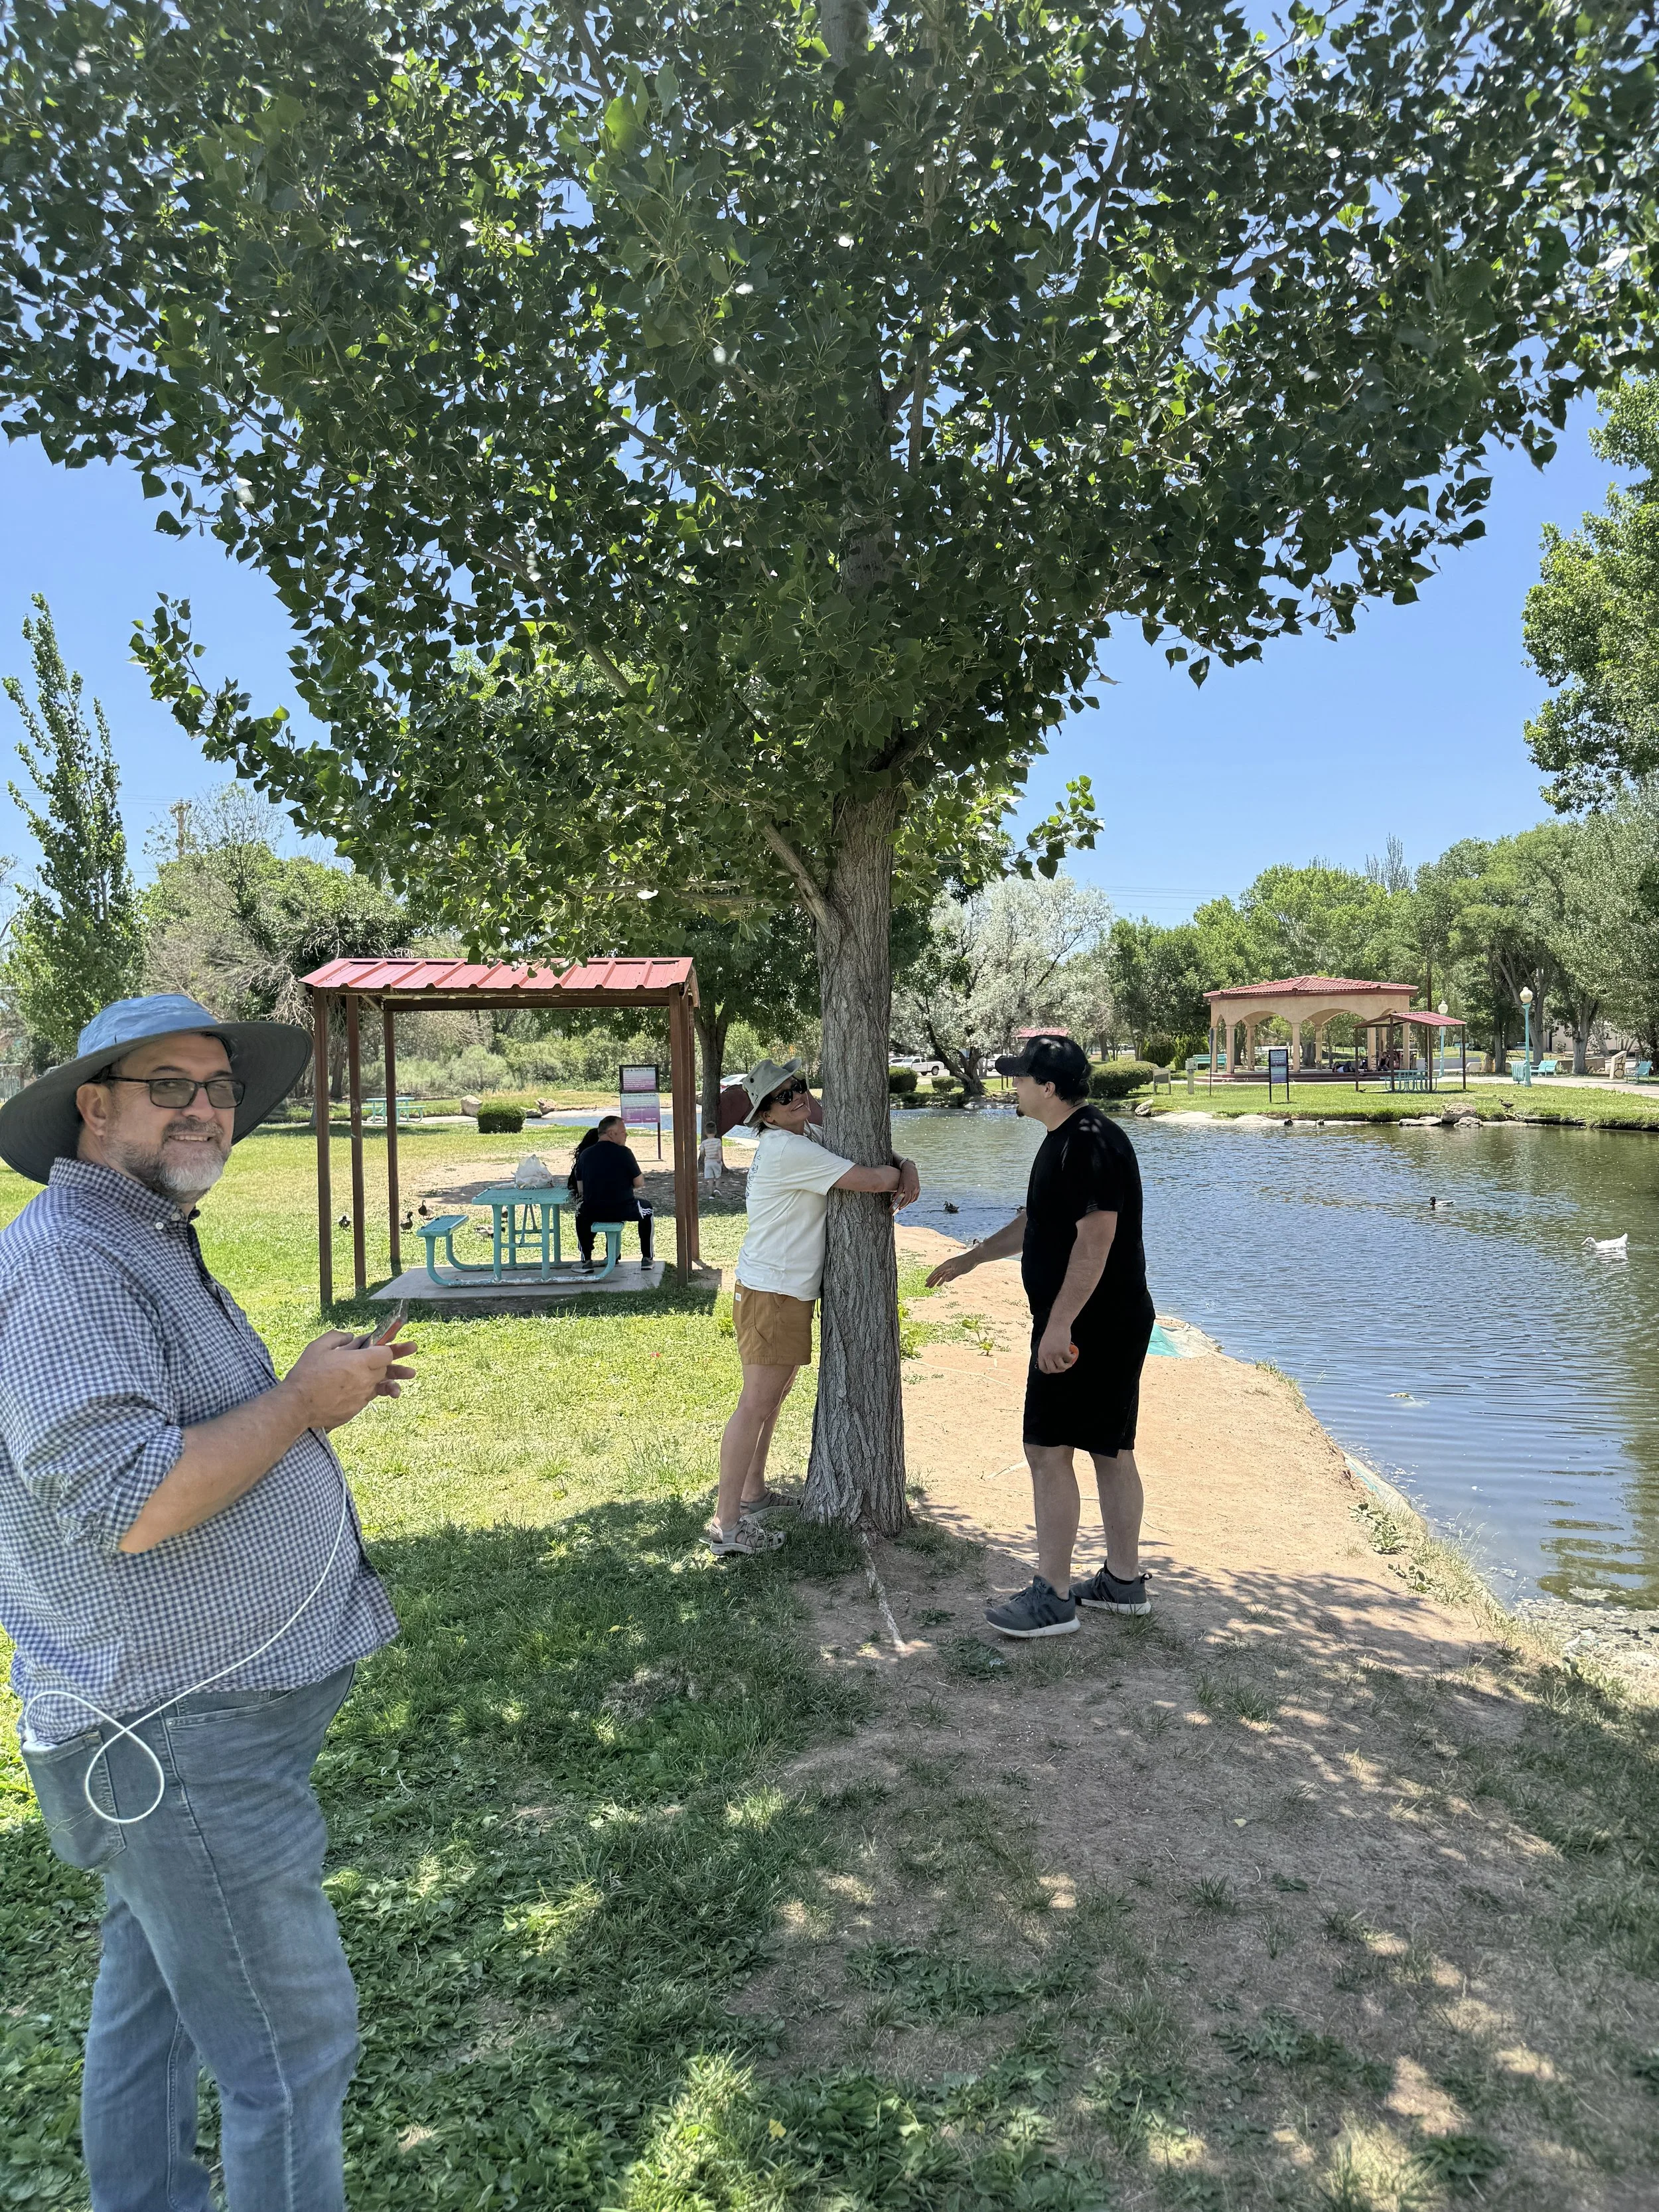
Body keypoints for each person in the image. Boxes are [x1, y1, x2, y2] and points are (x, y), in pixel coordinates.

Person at [0, 994, 415, 2212]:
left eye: (220, 1087)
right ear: (94, 1106)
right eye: (168, 1085)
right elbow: (130, 1500)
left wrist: (307, 1390)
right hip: (181, 1740)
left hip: (184, 1736)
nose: (206, 1109)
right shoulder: (72, 1261)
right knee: (292, 2053)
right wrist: (300, 1405)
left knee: (159, 2005)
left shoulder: (138, 1234)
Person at [925, 1034, 1155, 1637]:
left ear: (1048, 1086)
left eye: (1020, 1077)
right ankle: (1122, 1583)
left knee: (1048, 1450)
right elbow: (1037, 1222)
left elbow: (1096, 1238)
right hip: (1104, 1320)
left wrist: (1059, 1324)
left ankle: (1053, 1595)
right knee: (1109, 1448)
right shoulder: (1066, 1141)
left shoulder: (1089, 1142)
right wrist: (973, 1257)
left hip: (1088, 1327)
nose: (1013, 1086)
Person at [713, 1059, 920, 1556]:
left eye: (799, 1087)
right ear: (764, 1115)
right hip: (773, 1294)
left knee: (774, 1395)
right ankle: (728, 1524)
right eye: (783, 1097)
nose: (798, 1098)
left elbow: (857, 1142)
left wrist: (907, 1164)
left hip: (777, 1291)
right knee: (756, 1402)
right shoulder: (789, 1149)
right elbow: (872, 1179)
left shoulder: (801, 1138)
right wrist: (901, 1175)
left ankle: (753, 1492)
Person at [569, 1114, 652, 1266]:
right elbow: (639, 1182)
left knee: (579, 1212)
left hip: (593, 1211)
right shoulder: (625, 1152)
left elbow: (581, 1190)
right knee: (648, 1211)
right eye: (623, 1132)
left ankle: (586, 1258)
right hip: (623, 1209)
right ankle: (647, 1257)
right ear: (611, 1133)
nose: (626, 1135)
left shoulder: (585, 1155)